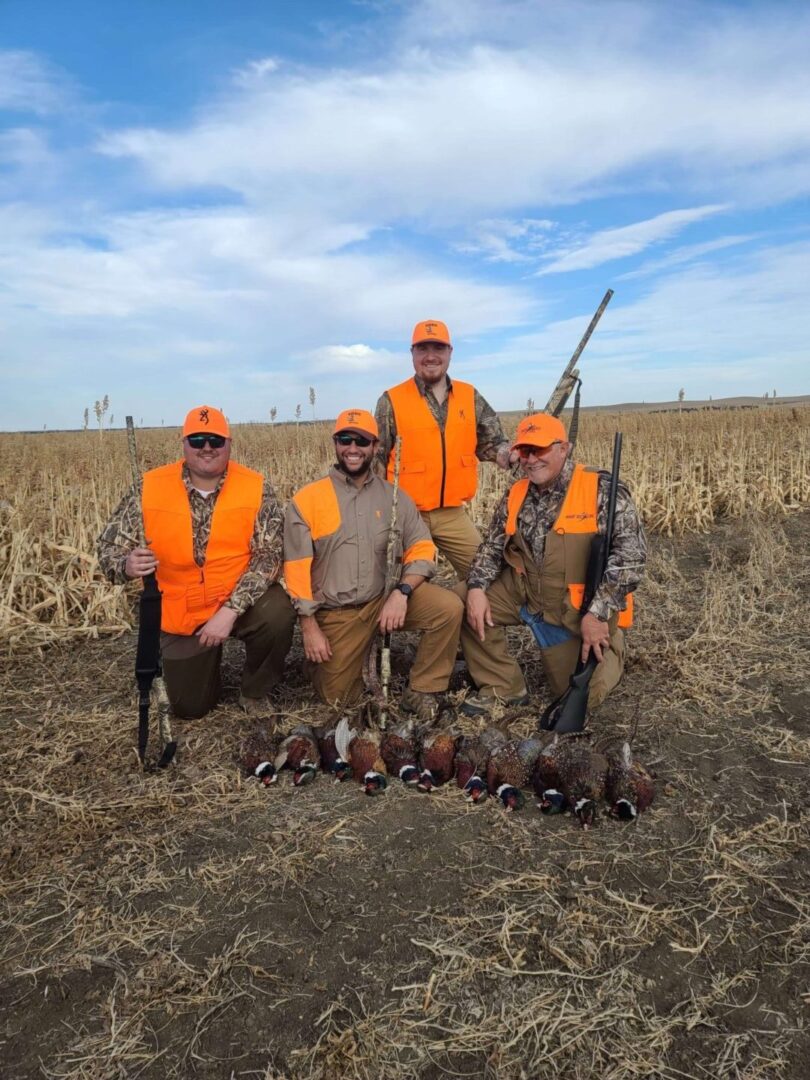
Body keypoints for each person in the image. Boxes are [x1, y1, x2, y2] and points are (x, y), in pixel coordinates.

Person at [97, 405, 295, 720]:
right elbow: (107, 549)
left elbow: (269, 556)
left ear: (229, 444)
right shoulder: (148, 487)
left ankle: (254, 691)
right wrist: (126, 564)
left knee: (279, 611)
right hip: (181, 609)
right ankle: (202, 666)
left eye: (215, 440)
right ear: (184, 443)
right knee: (189, 707)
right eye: (197, 439)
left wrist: (230, 612)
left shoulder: (256, 486)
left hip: (236, 599)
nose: (206, 448)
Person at [458, 412, 646, 716]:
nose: (531, 459)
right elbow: (491, 546)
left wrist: (598, 614)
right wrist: (477, 588)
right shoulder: (516, 492)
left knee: (582, 696)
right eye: (524, 451)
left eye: (540, 449)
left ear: (564, 448)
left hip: (573, 611)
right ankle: (504, 686)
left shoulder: (602, 490)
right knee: (462, 598)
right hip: (527, 594)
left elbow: (631, 558)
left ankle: (614, 645)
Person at [283, 408, 464, 719]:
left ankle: (422, 689)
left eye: (362, 441)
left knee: (447, 608)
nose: (353, 449)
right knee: (339, 700)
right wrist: (309, 627)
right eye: (345, 440)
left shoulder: (394, 497)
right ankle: (325, 662)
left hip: (385, 601)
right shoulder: (308, 500)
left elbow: (423, 547)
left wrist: (402, 591)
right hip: (337, 613)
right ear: (335, 444)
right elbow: (296, 572)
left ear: (376, 447)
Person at [374, 319, 512, 577]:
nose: (430, 356)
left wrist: (510, 455)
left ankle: (461, 606)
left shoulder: (470, 395)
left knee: (488, 576)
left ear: (450, 352)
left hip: (452, 515)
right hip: (406, 515)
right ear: (412, 353)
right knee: (394, 582)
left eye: (438, 348)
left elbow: (492, 443)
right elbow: (376, 461)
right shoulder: (391, 400)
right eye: (422, 348)